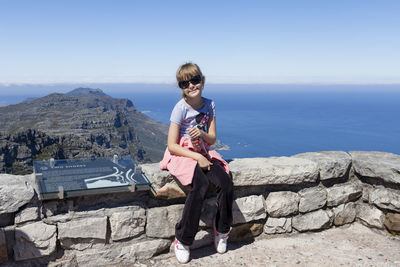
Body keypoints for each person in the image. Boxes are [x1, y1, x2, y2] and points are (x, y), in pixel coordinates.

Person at [160, 63, 234, 264]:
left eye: (194, 80)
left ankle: (222, 229)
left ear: (202, 80)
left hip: (203, 151)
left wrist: (201, 134)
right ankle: (183, 239)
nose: (191, 85)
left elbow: (212, 139)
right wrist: (197, 158)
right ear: (181, 87)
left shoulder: (210, 105)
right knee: (200, 185)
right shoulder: (180, 108)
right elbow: (172, 145)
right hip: (183, 154)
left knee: (225, 183)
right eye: (184, 83)